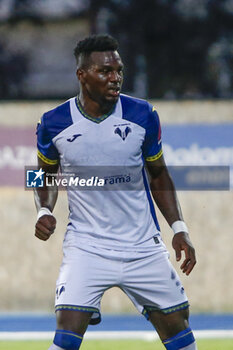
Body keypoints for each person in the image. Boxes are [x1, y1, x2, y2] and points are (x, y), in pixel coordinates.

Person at [34, 34, 197, 350]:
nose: (116, 78)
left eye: (118, 70)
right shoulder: (54, 122)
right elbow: (44, 175)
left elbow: (159, 173)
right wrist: (44, 210)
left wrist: (179, 228)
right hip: (87, 246)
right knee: (66, 334)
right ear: (82, 76)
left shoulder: (142, 115)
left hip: (142, 247)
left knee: (179, 331)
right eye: (105, 71)